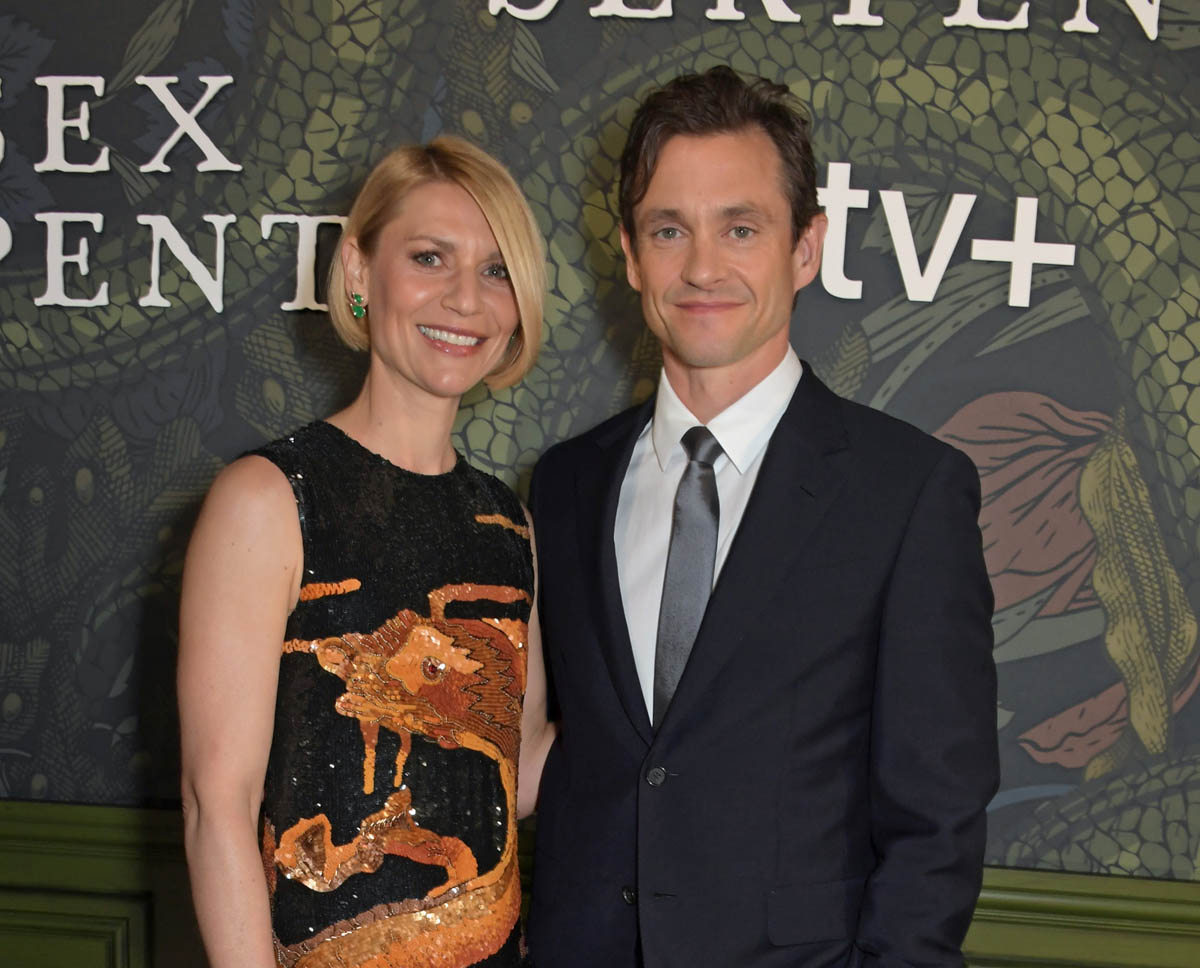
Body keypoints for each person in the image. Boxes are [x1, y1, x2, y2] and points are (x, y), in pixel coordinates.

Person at [526, 67, 998, 968]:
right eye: (670, 230)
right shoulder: (566, 485)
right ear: (630, 254)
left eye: (740, 229)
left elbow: (937, 824)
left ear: (806, 247)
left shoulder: (908, 492)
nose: (702, 267)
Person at [178, 136, 554, 968]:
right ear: (358, 270)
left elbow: (518, 774)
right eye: (430, 257)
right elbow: (216, 805)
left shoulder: (510, 526)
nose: (466, 298)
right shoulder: (268, 499)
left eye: (496, 270)